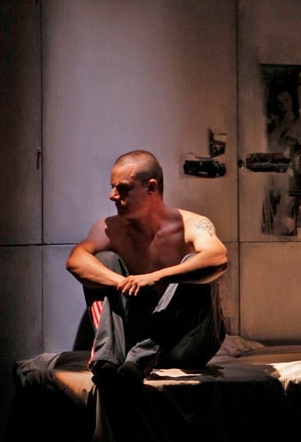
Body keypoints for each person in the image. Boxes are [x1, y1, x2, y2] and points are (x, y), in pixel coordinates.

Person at [65, 149, 228, 388]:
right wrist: (121, 282)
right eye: (112, 187)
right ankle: (107, 359)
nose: (112, 196)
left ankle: (144, 356)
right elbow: (75, 261)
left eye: (122, 188)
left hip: (188, 344)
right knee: (102, 260)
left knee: (195, 263)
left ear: (151, 188)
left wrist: (157, 277)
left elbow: (218, 258)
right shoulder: (111, 229)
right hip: (131, 351)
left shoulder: (191, 224)